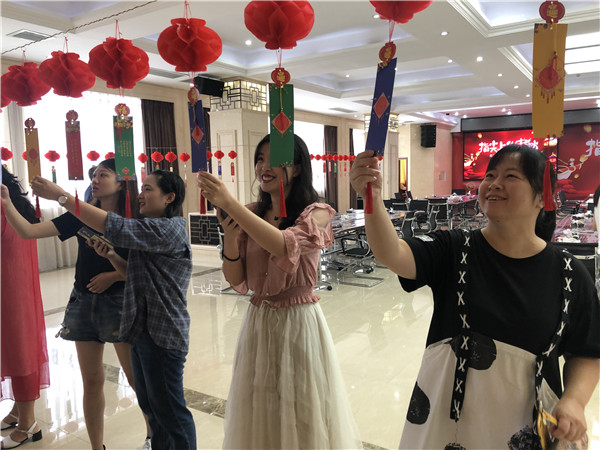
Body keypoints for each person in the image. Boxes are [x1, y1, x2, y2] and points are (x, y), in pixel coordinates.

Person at [350, 144, 599, 449]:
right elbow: (392, 252)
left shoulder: (569, 273)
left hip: (524, 430)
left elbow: (586, 350)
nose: (494, 183)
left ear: (541, 197)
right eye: (490, 175)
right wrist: (372, 196)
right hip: (447, 423)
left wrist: (574, 400)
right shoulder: (454, 248)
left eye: (511, 176)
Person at [197, 134, 362, 449]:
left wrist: (230, 204)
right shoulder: (250, 213)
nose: (264, 167)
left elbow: (284, 245)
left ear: (297, 168)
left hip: (297, 322)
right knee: (260, 408)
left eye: (275, 159)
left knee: (302, 408)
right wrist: (230, 238)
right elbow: (236, 279)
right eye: (260, 159)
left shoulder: (317, 213)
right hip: (258, 322)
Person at [30, 169, 196, 450]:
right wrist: (111, 255)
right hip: (141, 330)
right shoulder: (148, 229)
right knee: (152, 407)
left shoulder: (169, 229)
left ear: (169, 197)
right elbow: (134, 273)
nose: (141, 194)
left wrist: (61, 196)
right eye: (141, 188)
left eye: (148, 189)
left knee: (170, 413)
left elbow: (115, 226)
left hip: (163, 334)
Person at [1, 159, 151, 450]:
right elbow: (28, 232)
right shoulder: (81, 214)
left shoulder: (133, 219)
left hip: (121, 302)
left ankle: (152, 437)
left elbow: (143, 267)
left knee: (136, 379)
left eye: (104, 174)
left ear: (122, 182)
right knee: (92, 381)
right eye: (94, 174)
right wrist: (7, 202)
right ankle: (97, 447)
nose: (96, 179)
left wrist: (112, 275)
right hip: (84, 301)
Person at [0, 167, 49, 449]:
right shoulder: (18, 204)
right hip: (19, 288)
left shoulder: (3, 205)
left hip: (10, 290)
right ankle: (19, 411)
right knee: (20, 348)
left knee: (19, 351)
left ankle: (29, 425)